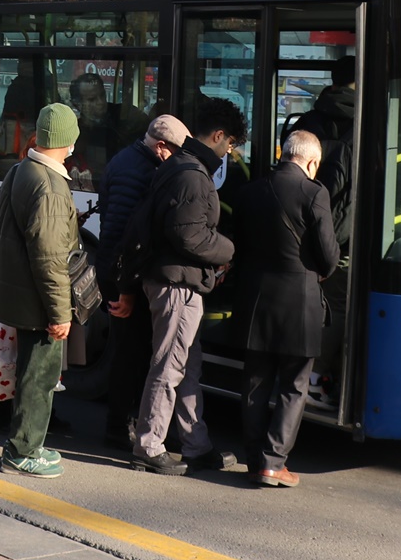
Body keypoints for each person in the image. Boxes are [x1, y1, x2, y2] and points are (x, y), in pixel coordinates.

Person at [130, 98, 244, 477]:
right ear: (218, 136)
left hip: (175, 279)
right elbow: (188, 234)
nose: (230, 152)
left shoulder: (180, 164)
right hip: (177, 282)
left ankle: (196, 444)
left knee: (186, 365)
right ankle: (149, 445)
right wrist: (228, 249)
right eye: (229, 144)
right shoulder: (194, 175)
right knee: (170, 365)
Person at [232, 130, 338, 488]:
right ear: (311, 162)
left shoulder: (249, 192)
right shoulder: (314, 192)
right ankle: (274, 463)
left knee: (255, 382)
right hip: (300, 302)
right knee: (293, 385)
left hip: (256, 299)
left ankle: (253, 460)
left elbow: (238, 246)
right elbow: (328, 254)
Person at [0, 102, 82, 478]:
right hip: (37, 301)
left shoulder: (21, 170)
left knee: (30, 373)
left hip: (19, 293)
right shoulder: (50, 187)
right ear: (67, 140)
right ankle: (23, 450)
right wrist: (60, 314)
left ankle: (26, 443)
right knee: (40, 378)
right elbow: (50, 259)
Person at [96, 114, 191, 449]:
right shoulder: (137, 171)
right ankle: (119, 428)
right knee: (130, 354)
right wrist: (126, 289)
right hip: (124, 276)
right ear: (161, 146)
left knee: (133, 351)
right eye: (177, 151)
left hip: (123, 273)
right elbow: (122, 235)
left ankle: (125, 423)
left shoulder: (128, 159)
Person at [285, 55, 356, 400]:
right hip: (344, 232)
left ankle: (307, 374)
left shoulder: (308, 120)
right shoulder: (369, 118)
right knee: (338, 306)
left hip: (303, 224)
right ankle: (317, 376)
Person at [68, 72, 148, 188]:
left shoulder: (126, 115)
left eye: (102, 95)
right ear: (77, 104)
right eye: (92, 99)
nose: (100, 102)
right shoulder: (75, 130)